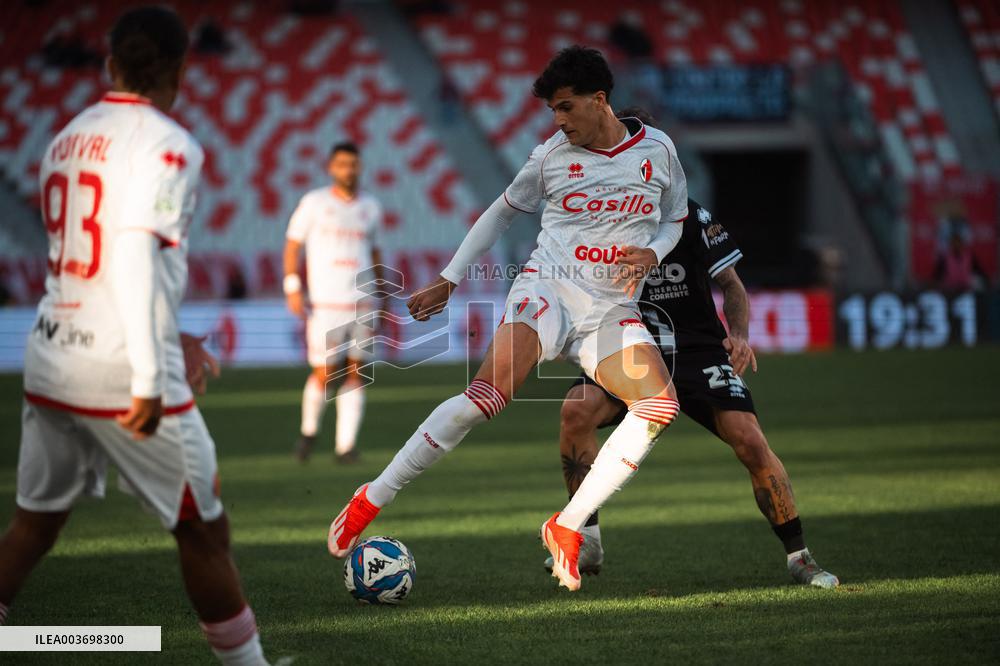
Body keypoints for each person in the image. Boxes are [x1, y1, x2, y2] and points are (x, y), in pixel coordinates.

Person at [327, 46, 689, 593]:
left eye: (566, 107)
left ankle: (566, 525)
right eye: (552, 110)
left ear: (600, 100)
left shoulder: (659, 150)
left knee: (659, 406)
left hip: (611, 308)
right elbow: (500, 213)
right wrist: (450, 278)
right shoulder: (550, 158)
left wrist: (654, 253)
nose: (558, 120)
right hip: (548, 290)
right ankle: (372, 496)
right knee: (484, 400)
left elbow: (674, 219)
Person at [0, 8, 268, 664]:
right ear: (180, 68)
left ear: (110, 64)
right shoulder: (170, 146)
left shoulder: (65, 139)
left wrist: (172, 332)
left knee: (34, 524)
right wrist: (150, 375)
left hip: (51, 352)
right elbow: (131, 254)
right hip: (120, 369)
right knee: (201, 532)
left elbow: (91, 265)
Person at [548, 108, 838, 589]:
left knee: (749, 441)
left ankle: (800, 556)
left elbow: (732, 285)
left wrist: (738, 335)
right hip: (631, 346)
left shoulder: (690, 215)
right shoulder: (597, 221)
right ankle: (588, 537)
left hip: (698, 349)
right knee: (575, 411)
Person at [283, 142, 386, 464]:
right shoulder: (314, 203)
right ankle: (309, 431)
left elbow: (375, 252)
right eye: (341, 164)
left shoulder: (371, 207)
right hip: (326, 303)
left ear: (360, 167)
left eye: (353, 164)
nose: (348, 170)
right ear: (331, 168)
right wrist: (292, 286)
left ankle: (346, 446)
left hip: (363, 302)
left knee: (357, 372)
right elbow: (292, 245)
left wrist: (383, 293)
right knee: (325, 373)